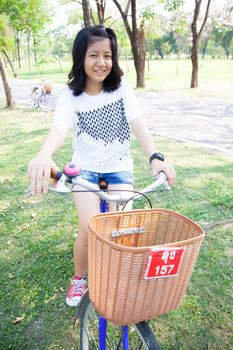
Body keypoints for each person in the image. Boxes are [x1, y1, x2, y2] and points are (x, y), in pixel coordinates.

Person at [28, 25, 176, 307]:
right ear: (80, 58)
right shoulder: (70, 98)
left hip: (119, 168)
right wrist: (44, 154)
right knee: (90, 226)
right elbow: (59, 129)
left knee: (125, 227)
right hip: (84, 171)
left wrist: (155, 157)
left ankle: (121, 275)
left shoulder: (121, 90)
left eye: (107, 55)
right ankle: (79, 277)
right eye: (93, 55)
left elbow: (138, 124)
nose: (101, 62)